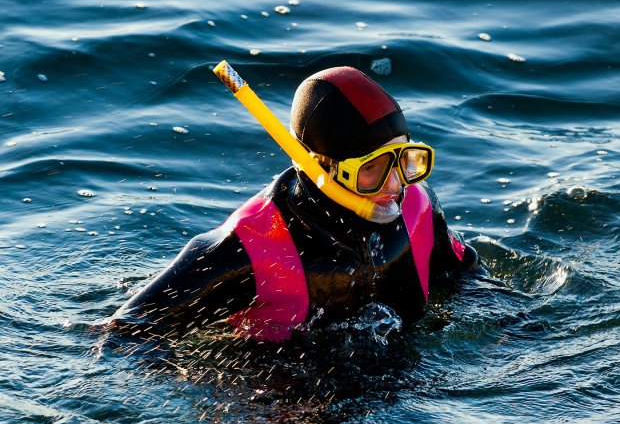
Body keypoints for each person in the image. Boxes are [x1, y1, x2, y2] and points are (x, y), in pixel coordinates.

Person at [111, 66, 479, 342]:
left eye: (405, 159)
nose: (396, 185)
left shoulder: (419, 207)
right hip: (290, 411)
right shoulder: (252, 245)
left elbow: (464, 274)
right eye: (374, 168)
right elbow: (128, 329)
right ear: (321, 166)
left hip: (411, 399)